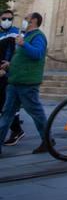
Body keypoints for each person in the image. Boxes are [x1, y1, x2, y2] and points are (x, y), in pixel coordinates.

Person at [0, 12, 49, 156]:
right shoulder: (26, 36)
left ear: (33, 21)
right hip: (15, 81)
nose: (24, 21)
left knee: (36, 113)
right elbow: (21, 57)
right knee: (7, 114)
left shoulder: (38, 36)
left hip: (27, 83)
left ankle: (47, 140)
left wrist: (24, 44)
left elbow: (38, 54)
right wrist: (9, 64)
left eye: (26, 19)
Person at [0, 8, 25, 145]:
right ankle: (17, 130)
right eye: (4, 19)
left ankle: (17, 130)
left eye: (9, 18)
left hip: (7, 74)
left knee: (6, 104)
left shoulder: (15, 33)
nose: (7, 21)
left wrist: (8, 65)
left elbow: (15, 51)